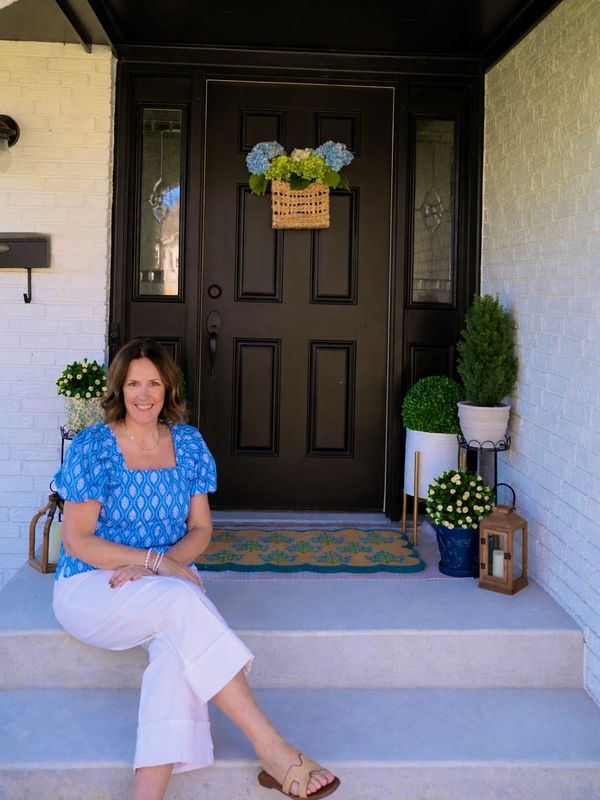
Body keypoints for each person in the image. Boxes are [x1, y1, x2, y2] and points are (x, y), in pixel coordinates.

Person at [52, 338, 340, 800]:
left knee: (174, 652)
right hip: (93, 583)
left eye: (153, 383)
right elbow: (77, 540)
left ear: (168, 388)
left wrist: (163, 566)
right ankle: (273, 748)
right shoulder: (94, 447)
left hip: (166, 580)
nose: (143, 395)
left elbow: (201, 529)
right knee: (184, 602)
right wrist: (150, 561)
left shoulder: (186, 442)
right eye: (132, 385)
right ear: (118, 390)